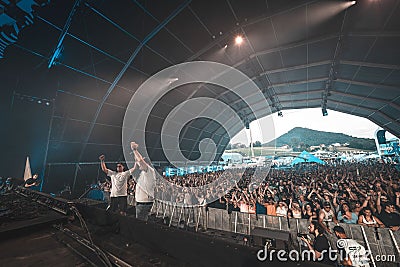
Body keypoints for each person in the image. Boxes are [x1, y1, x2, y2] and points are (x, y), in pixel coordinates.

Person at [131, 141, 156, 221]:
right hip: (141, 203)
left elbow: (141, 162)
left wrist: (135, 150)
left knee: (141, 224)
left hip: (144, 204)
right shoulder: (143, 173)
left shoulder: (149, 171)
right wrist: (135, 156)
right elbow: (139, 162)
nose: (139, 164)